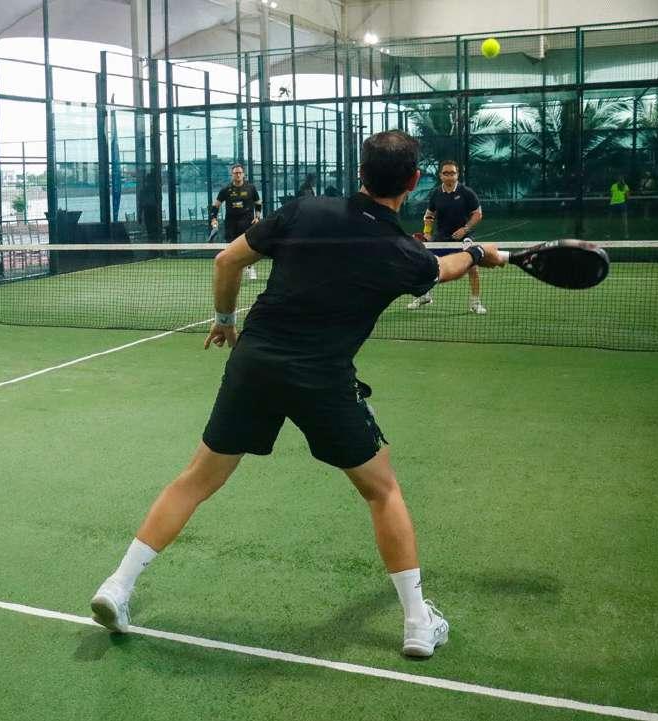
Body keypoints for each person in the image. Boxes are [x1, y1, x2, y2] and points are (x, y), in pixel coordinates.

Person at [89, 130, 507, 659]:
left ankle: (118, 586)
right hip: (323, 380)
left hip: (255, 364)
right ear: (414, 181)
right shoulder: (401, 252)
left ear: (361, 172)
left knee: (196, 480)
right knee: (382, 491)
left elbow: (227, 261)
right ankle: (417, 624)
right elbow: (444, 268)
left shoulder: (303, 210)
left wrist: (225, 319)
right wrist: (477, 253)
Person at [409, 160, 487, 314]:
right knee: (425, 265)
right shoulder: (436, 193)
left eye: (452, 173)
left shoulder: (466, 192)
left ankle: (476, 303)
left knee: (472, 268)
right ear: (441, 175)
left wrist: (465, 229)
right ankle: (425, 296)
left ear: (457, 175)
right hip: (442, 237)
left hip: (464, 238)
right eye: (446, 173)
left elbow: (478, 214)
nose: (449, 176)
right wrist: (427, 232)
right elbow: (429, 214)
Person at [211, 164, 262, 280]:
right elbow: (216, 205)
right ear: (232, 175)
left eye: (240, 173)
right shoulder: (226, 190)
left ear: (243, 174)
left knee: (248, 247)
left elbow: (258, 203)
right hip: (231, 223)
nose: (238, 175)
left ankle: (249, 268)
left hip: (247, 222)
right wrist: (214, 219)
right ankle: (233, 269)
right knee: (231, 247)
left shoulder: (251, 188)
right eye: (235, 173)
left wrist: (257, 217)